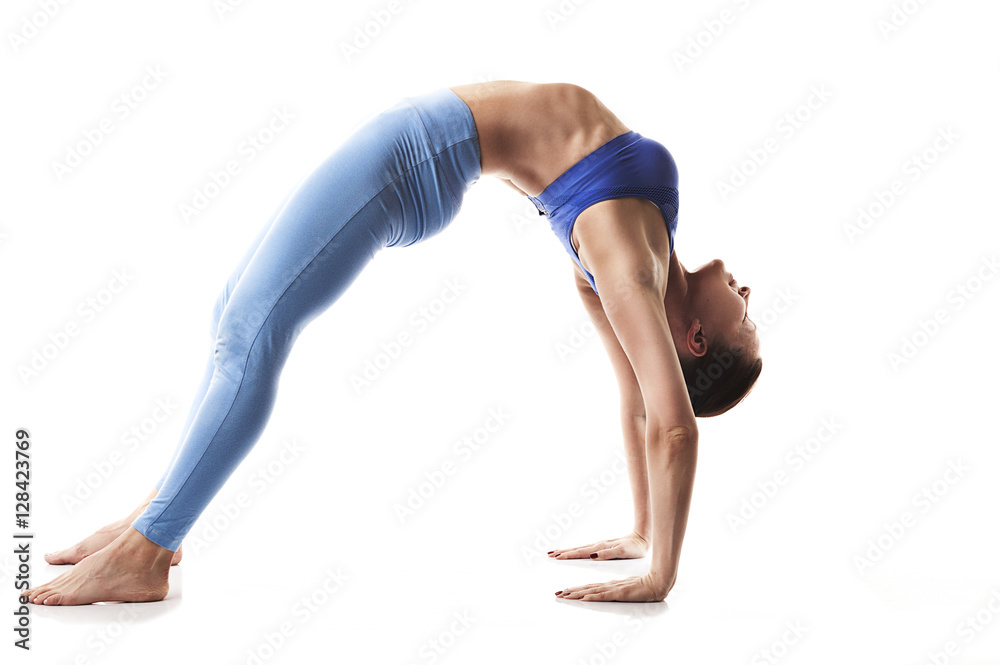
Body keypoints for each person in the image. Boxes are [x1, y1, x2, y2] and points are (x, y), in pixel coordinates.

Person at [21, 80, 761, 606]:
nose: (750, 298)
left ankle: (148, 552)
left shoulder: (626, 263)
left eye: (748, 321)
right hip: (414, 150)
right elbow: (636, 399)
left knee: (251, 334)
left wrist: (660, 571)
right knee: (232, 316)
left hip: (405, 162)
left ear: (695, 339)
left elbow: (671, 424)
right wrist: (639, 526)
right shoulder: (641, 254)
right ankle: (156, 516)